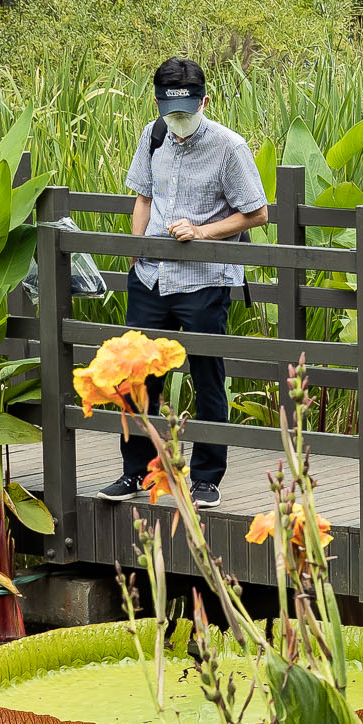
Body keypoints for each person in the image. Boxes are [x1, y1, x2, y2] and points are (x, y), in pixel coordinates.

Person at [95, 57, 268, 509]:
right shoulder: (152, 137)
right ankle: (138, 472)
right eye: (171, 114)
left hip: (205, 278)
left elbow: (257, 212)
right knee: (136, 376)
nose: (179, 122)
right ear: (158, 106)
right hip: (151, 276)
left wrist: (202, 232)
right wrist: (135, 252)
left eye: (186, 113)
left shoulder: (229, 147)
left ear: (204, 102)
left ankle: (207, 478)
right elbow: (143, 198)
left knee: (206, 376)